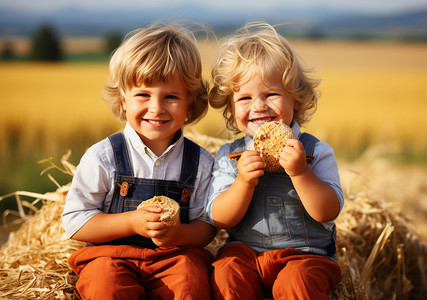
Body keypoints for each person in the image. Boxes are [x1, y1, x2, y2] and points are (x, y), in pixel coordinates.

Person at [61, 22, 216, 300]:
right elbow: (76, 221)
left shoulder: (200, 162)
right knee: (105, 286)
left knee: (191, 281)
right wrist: (132, 222)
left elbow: (206, 227)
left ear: (190, 103)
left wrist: (178, 234)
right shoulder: (104, 156)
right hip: (109, 256)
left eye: (171, 96)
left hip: (174, 258)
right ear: (123, 100)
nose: (156, 108)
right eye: (143, 94)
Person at [207, 22, 344, 300]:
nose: (258, 106)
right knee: (226, 274)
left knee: (297, 284)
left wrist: (301, 173)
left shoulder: (316, 151)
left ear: (295, 99)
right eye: (244, 98)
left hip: (305, 257)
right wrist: (243, 182)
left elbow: (327, 211)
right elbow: (219, 217)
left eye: (271, 94)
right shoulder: (229, 156)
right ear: (231, 109)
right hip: (245, 252)